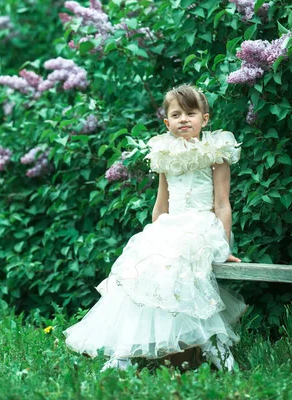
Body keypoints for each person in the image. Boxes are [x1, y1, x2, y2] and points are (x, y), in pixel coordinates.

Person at [63, 84, 246, 372]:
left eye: (190, 113)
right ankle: (123, 353)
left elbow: (222, 204)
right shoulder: (164, 154)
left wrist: (224, 246)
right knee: (141, 271)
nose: (184, 119)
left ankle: (215, 347)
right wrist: (152, 239)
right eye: (176, 114)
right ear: (167, 122)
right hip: (170, 228)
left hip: (203, 227)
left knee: (182, 264)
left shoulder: (215, 153)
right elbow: (161, 207)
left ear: (205, 118)